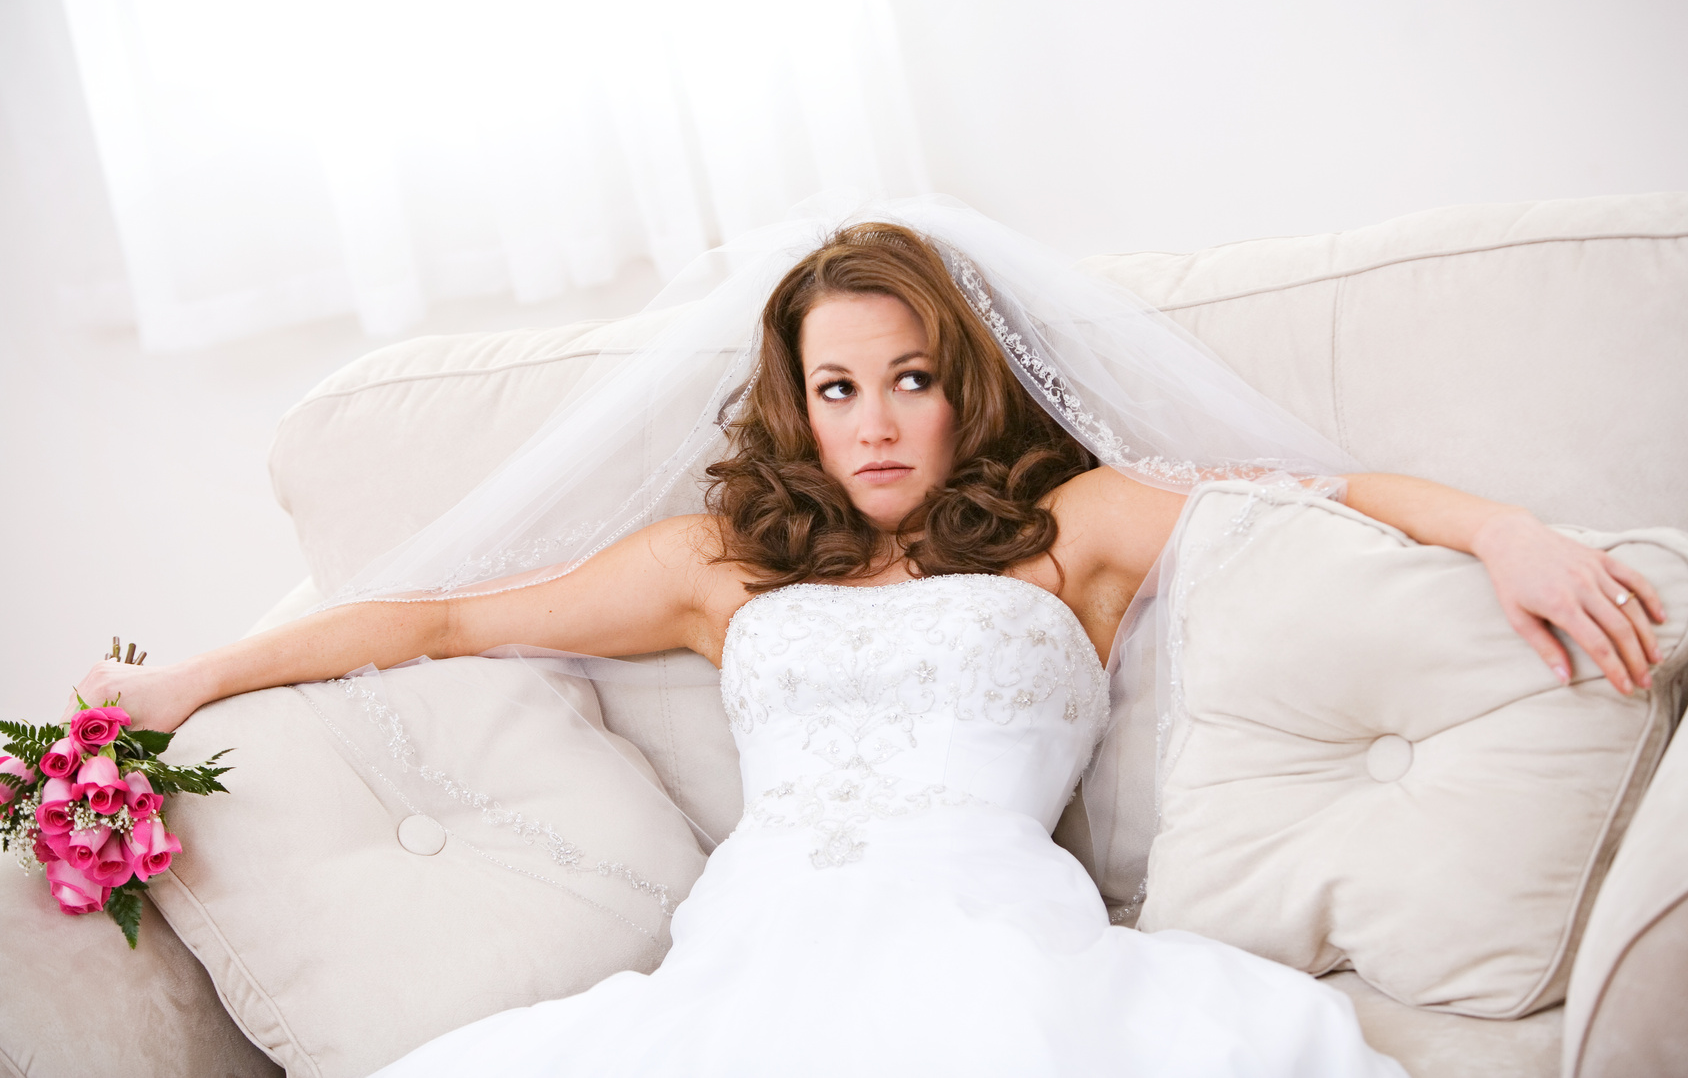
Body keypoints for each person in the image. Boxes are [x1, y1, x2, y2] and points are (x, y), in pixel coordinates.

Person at [70, 211, 1664, 1076]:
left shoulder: (1076, 525)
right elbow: (442, 614)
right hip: (753, 941)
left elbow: (1323, 497)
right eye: (838, 389)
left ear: (964, 378)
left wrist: (1508, 533)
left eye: (908, 377)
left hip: (991, 927)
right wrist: (195, 677)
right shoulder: (722, 565)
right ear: (797, 406)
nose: (877, 420)